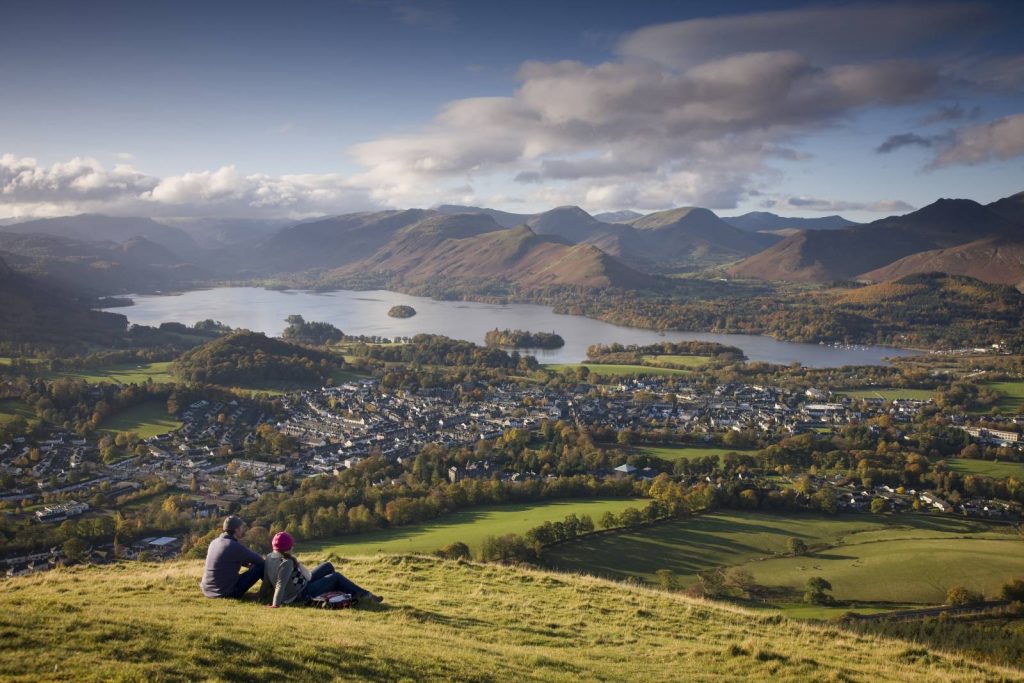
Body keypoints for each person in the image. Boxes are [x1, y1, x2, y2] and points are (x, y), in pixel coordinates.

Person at [260, 531, 382, 608]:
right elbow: (280, 584)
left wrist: (261, 595)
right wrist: (275, 604)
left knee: (328, 566)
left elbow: (266, 580)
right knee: (336, 576)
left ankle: (339, 591)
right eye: (291, 545)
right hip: (301, 593)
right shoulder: (286, 562)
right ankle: (365, 595)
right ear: (287, 548)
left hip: (302, 582)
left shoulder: (270, 557)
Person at [199, 515, 265, 599]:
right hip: (226, 593)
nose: (242, 530)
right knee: (262, 566)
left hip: (207, 590)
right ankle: (269, 592)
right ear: (236, 530)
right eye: (241, 528)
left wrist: (248, 564)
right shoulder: (233, 545)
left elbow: (228, 559)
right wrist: (252, 565)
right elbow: (259, 561)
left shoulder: (214, 542)